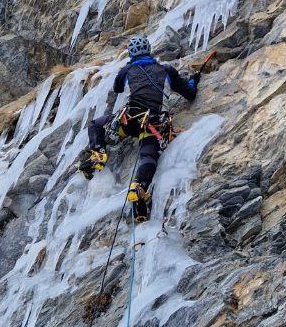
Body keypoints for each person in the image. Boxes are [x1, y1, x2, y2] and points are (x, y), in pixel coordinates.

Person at [79, 34, 200, 221]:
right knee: (148, 156)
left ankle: (99, 152)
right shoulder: (166, 70)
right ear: (149, 50)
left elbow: (117, 88)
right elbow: (189, 93)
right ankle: (139, 186)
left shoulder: (126, 71)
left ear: (131, 53)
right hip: (153, 124)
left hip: (129, 121)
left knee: (96, 125)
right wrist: (194, 80)